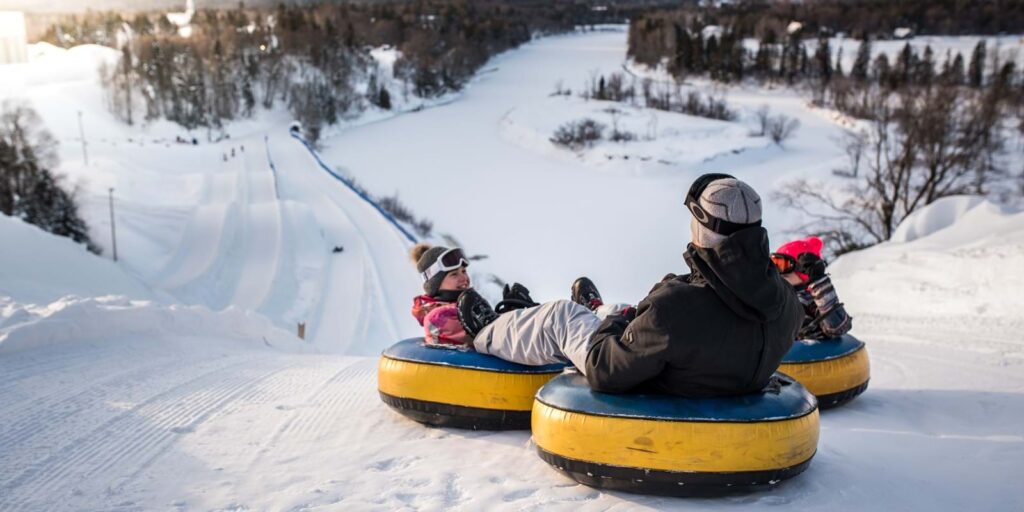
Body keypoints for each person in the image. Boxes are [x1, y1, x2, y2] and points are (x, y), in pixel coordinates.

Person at [457, 173, 804, 398]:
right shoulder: (786, 302)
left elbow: (605, 370)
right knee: (625, 311)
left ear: (700, 226)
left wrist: (617, 324)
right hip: (709, 372)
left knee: (561, 316)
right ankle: (599, 312)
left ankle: (486, 332)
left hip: (658, 384)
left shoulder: (675, 307)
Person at [409, 244, 609, 346]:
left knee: (552, 314)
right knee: (556, 315)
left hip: (504, 346)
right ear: (435, 284)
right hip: (492, 363)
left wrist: (514, 311)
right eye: (454, 274)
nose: (464, 278)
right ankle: (586, 325)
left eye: (464, 271)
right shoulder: (438, 317)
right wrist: (506, 320)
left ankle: (588, 319)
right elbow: (484, 339)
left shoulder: (461, 307)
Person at [771, 236, 852, 340]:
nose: (779, 272)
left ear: (803, 268)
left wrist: (819, 282)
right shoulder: (778, 297)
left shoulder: (812, 301)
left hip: (806, 348)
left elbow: (838, 327)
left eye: (782, 264)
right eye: (775, 264)